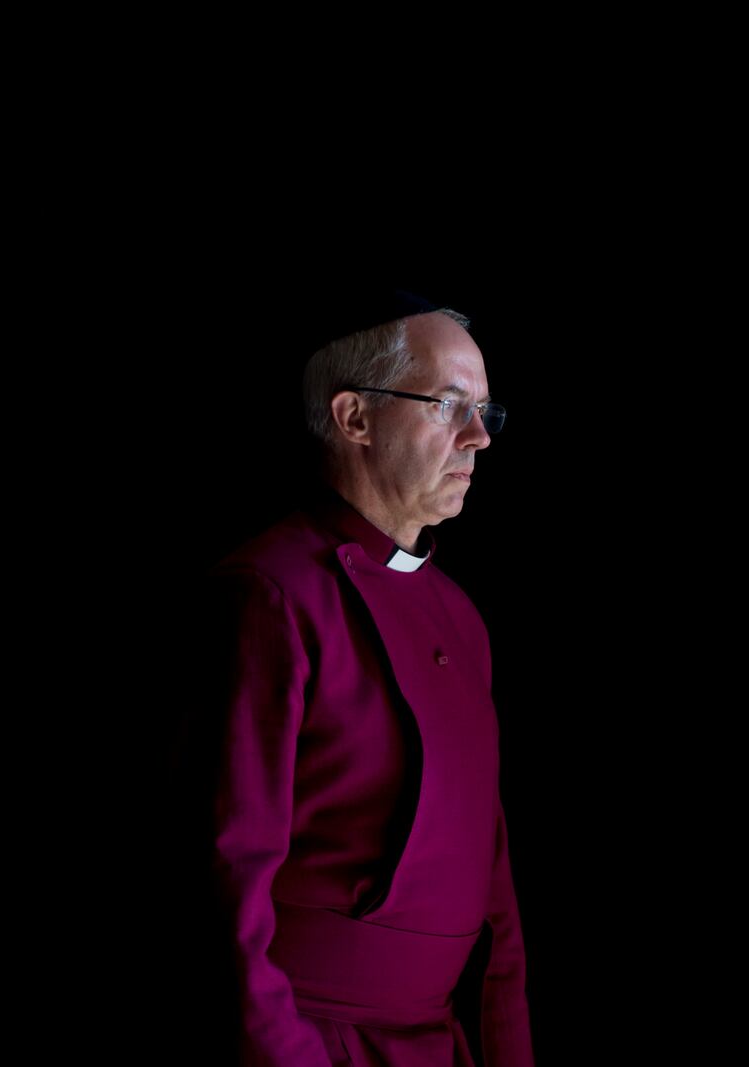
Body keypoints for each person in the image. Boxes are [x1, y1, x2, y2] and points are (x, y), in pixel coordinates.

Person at [199, 290, 533, 1067]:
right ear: (354, 419)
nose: (479, 437)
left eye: (486, 411)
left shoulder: (463, 619)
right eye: (449, 406)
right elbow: (224, 879)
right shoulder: (268, 593)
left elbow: (497, 898)